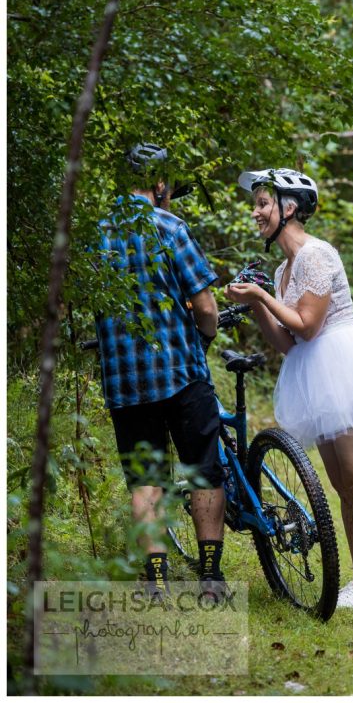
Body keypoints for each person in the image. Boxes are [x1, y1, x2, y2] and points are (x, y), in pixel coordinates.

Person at [224, 168, 353, 611]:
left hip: (344, 366)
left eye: (264, 203)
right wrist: (255, 303)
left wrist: (262, 296)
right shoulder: (284, 268)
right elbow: (286, 343)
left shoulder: (316, 255)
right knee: (344, 486)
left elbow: (309, 326)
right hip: (316, 373)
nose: (256, 212)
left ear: (290, 207)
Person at [94, 143, 227, 598]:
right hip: (181, 374)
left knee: (146, 478)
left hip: (126, 383)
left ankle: (155, 581)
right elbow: (206, 306)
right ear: (160, 184)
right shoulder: (169, 226)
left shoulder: (96, 233)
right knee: (203, 470)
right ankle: (210, 577)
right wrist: (203, 338)